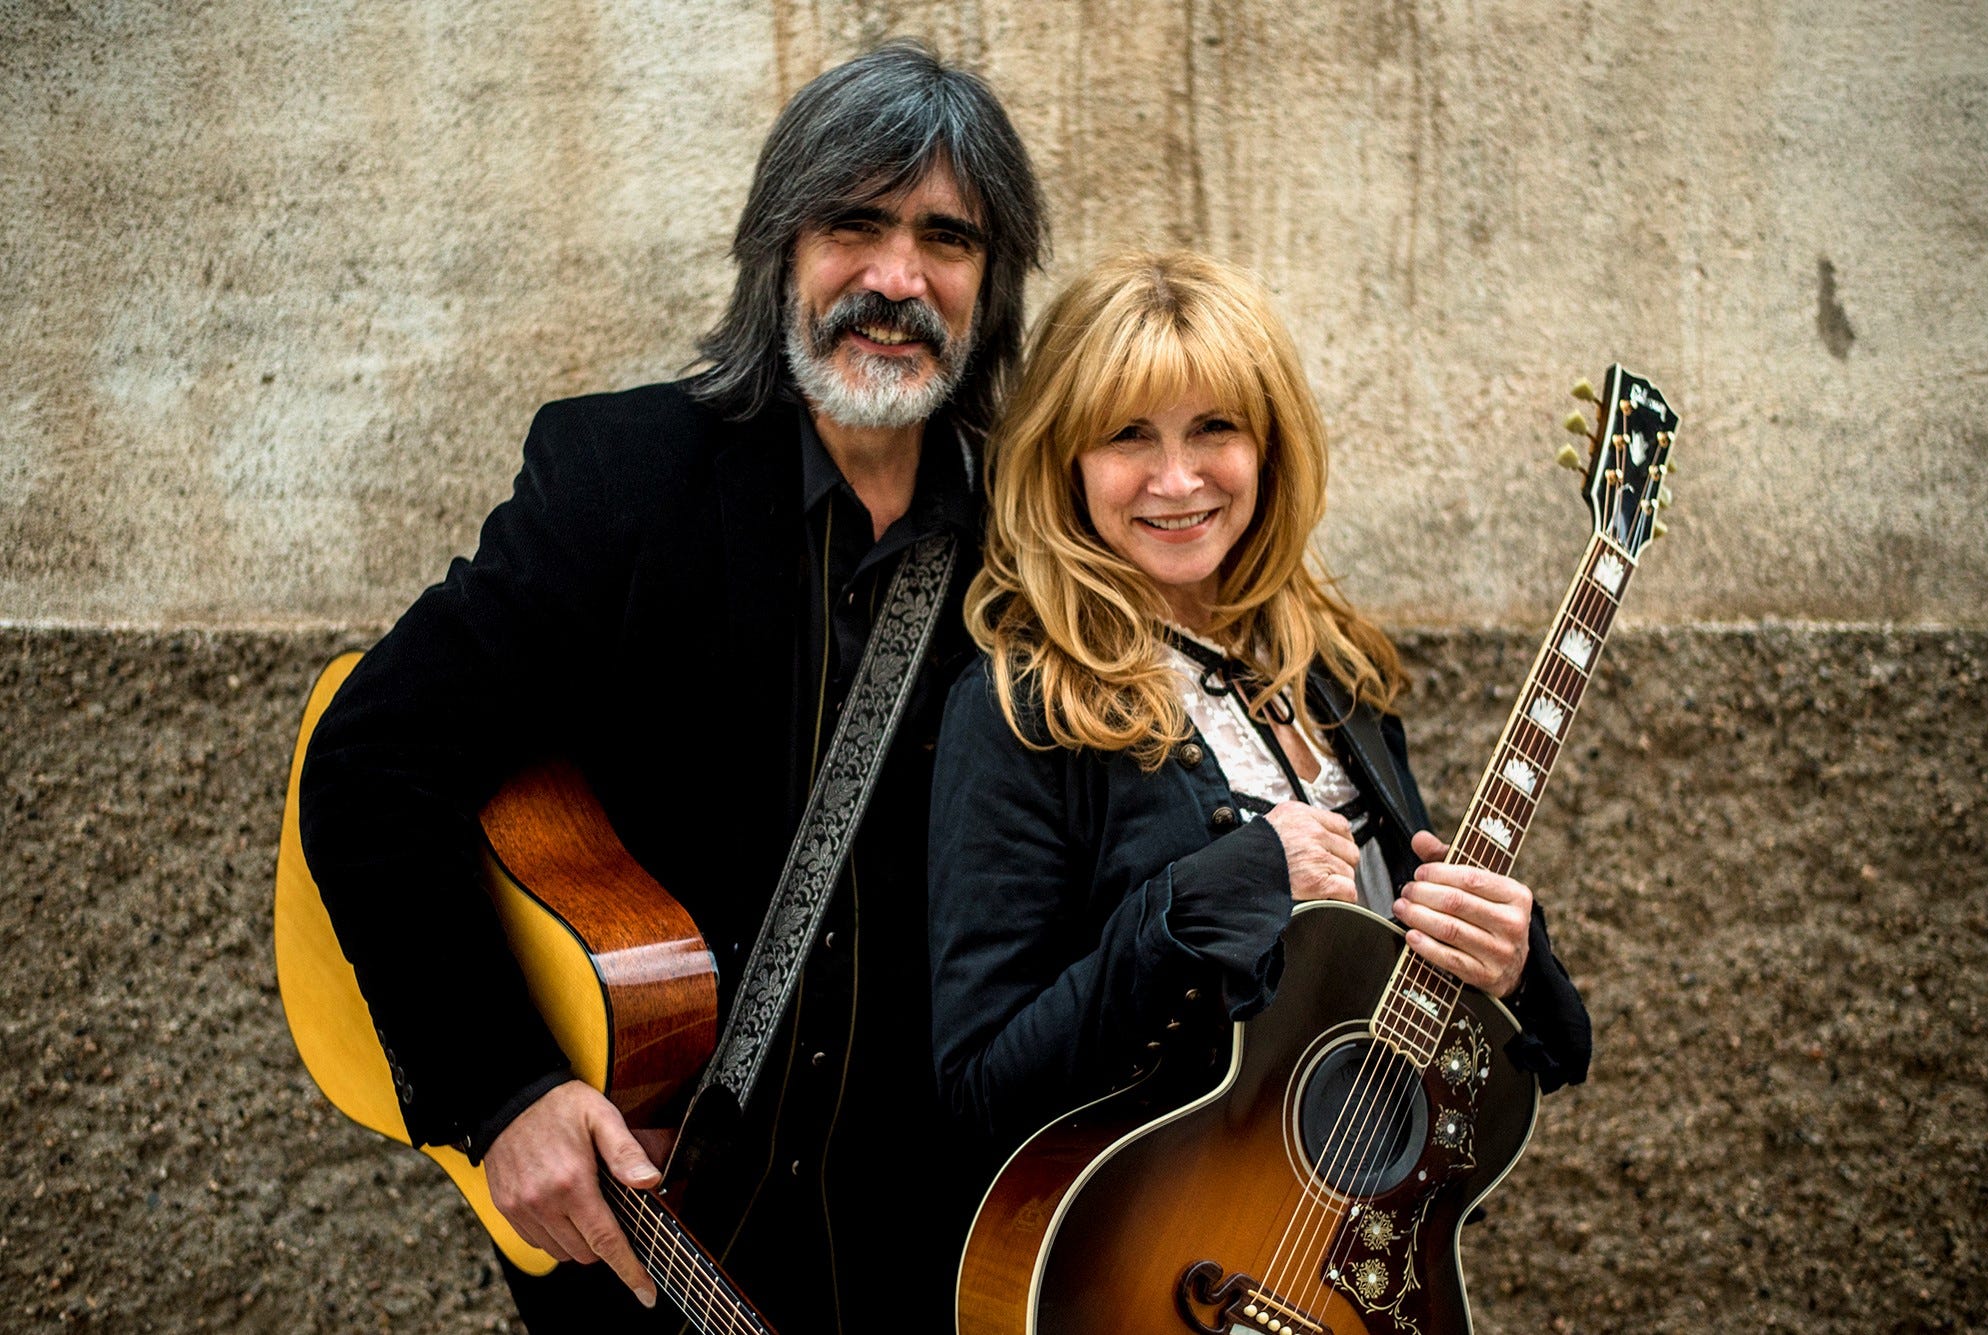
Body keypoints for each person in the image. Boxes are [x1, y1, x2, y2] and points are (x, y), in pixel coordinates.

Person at [298, 40, 1046, 1334]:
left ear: (993, 282)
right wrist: (507, 1092)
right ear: (778, 249)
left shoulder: (1034, 547)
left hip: (925, 1248)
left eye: (947, 237)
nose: (896, 278)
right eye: (853, 224)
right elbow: (372, 762)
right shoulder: (625, 480)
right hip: (649, 1239)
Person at [929, 250, 1591, 1165]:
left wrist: (1512, 966)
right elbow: (980, 1091)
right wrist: (1210, 896)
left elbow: (1477, 1033)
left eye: (1214, 427)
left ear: (1270, 444)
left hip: (1357, 1222)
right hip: (1171, 1237)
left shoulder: (1330, 664)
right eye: (1127, 435)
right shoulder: (1020, 708)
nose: (1177, 480)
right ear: (1064, 458)